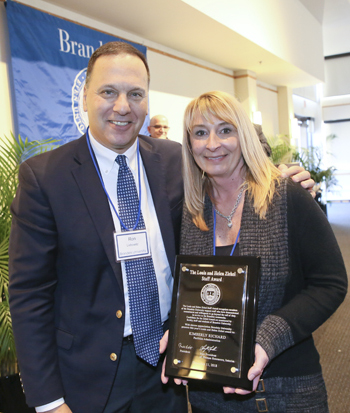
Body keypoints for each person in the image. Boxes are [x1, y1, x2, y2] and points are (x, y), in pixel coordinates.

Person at [9, 41, 313, 413]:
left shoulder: (176, 160)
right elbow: (30, 295)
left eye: (135, 94)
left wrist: (286, 181)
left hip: (169, 364)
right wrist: (48, 400)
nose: (123, 106)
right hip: (87, 377)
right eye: (108, 92)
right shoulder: (44, 177)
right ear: (85, 96)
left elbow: (235, 174)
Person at [161, 91, 347, 412]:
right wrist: (176, 332)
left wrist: (266, 338)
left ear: (244, 135)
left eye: (225, 130)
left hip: (284, 391)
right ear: (189, 144)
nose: (212, 143)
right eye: (200, 133)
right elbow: (189, 293)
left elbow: (329, 284)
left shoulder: (286, 197)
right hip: (209, 396)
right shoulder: (189, 213)